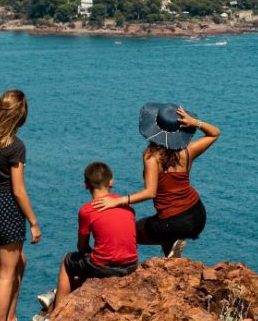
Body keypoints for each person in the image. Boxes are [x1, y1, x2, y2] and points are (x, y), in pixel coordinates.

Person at [92, 103, 219, 258]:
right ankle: (172, 254)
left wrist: (118, 201)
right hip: (198, 215)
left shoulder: (151, 157)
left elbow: (150, 192)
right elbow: (214, 133)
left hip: (174, 221)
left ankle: (130, 264)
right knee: (163, 228)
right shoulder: (188, 151)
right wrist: (195, 123)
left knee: (130, 232)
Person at [33, 161, 138, 321]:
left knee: (68, 261)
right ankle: (58, 296)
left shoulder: (86, 210)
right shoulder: (126, 204)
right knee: (88, 263)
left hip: (106, 268)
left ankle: (55, 316)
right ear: (111, 182)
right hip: (131, 266)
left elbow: (82, 247)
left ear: (86, 185)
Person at [0, 89, 41, 321]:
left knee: (19, 262)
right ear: (20, 117)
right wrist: (33, 222)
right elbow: (18, 190)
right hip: (7, 208)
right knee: (5, 273)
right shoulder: (16, 147)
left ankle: (11, 320)